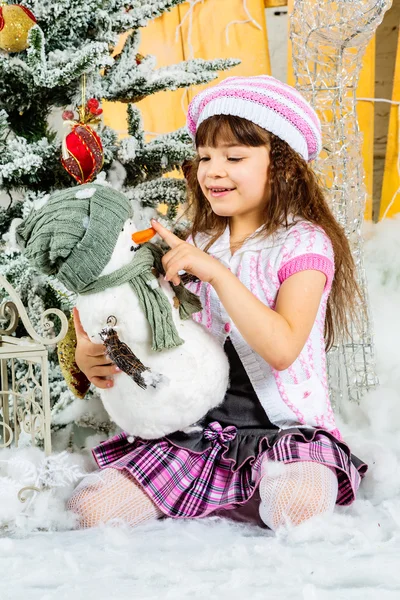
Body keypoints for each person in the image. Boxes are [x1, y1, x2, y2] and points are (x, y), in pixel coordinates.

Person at [67, 75, 367, 531]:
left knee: (298, 508)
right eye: (205, 157)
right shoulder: (196, 242)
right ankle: (210, 492)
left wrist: (218, 274)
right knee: (92, 508)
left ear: (283, 166)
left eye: (234, 157)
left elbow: (283, 348)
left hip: (283, 434)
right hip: (197, 433)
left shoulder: (304, 244)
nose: (213, 170)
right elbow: (148, 330)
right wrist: (93, 356)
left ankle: (256, 494)